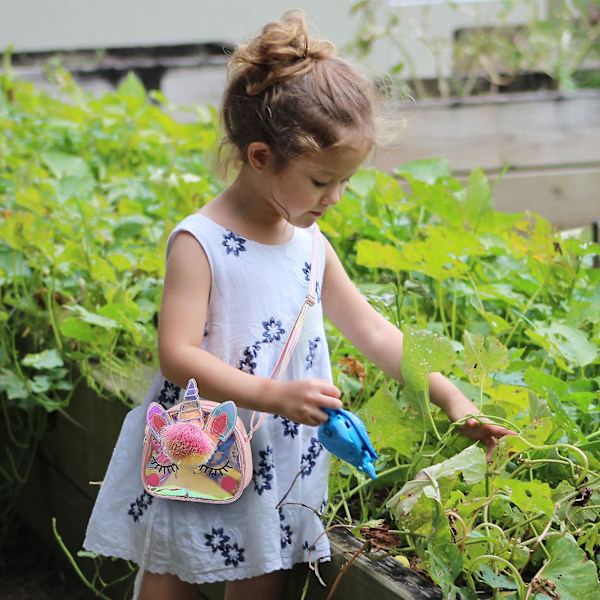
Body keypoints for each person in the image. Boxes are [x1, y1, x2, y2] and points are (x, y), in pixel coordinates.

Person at [83, 9, 513, 600]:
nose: (333, 198)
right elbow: (178, 354)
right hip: (202, 445)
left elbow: (376, 334)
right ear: (261, 157)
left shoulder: (310, 245)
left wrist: (452, 399)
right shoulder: (200, 242)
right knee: (171, 573)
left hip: (280, 459)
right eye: (319, 181)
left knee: (263, 576)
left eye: (344, 183)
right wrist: (275, 396)